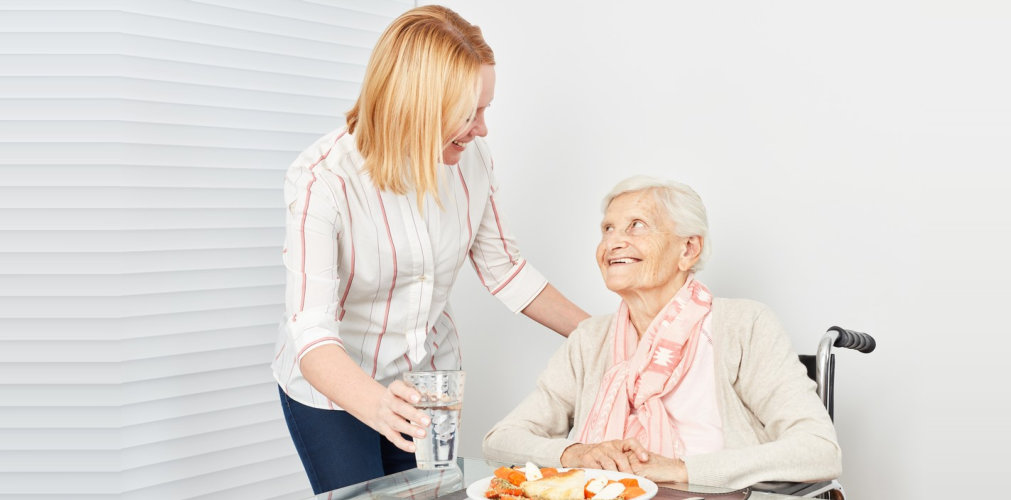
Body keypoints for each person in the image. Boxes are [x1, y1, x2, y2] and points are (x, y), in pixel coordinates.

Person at [272, 5, 590, 494]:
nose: (482, 128)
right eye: (469, 114)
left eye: (486, 109)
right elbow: (311, 335)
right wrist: (377, 405)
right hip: (335, 387)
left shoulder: (471, 160)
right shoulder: (323, 181)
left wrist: (604, 339)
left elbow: (504, 268)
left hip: (429, 380)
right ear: (417, 108)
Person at [482, 176, 841, 489]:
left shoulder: (743, 326)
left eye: (636, 225)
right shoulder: (590, 339)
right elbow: (501, 440)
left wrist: (682, 470)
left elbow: (818, 450)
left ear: (688, 248)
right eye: (608, 229)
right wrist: (578, 453)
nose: (614, 242)